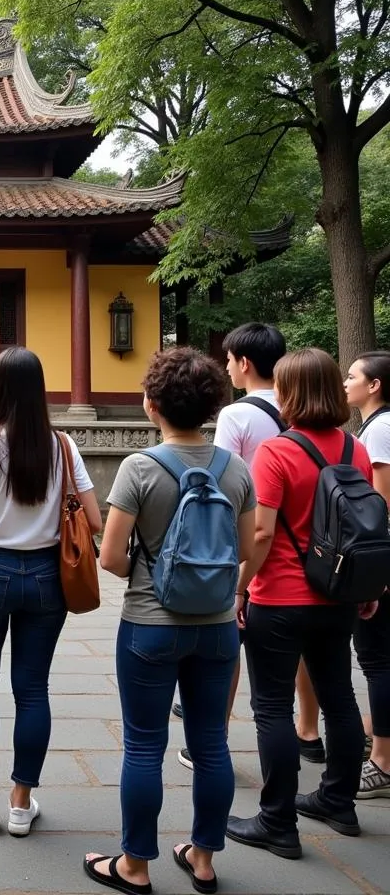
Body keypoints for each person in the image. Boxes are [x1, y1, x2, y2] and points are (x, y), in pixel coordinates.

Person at [86, 347, 255, 895]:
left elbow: (109, 557)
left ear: (150, 403)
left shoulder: (140, 467)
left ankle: (135, 865)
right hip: (218, 626)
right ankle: (203, 858)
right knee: (211, 743)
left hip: (149, 625)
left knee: (143, 746)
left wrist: (149, 574)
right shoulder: (237, 469)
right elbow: (250, 546)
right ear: (212, 404)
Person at [228, 348, 376, 859]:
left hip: (282, 598)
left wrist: (242, 586)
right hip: (336, 597)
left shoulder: (276, 451)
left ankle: (277, 821)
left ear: (289, 392)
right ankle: (339, 801)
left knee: (271, 706)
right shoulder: (353, 449)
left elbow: (263, 531)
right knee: (339, 696)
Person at [0, 346, 101, 837]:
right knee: (33, 688)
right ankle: (22, 802)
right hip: (46, 576)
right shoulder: (62, 446)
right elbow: (95, 520)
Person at [175, 323, 290, 770]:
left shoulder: (237, 415)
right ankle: (310, 731)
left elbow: (219, 480)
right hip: (301, 545)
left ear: (243, 362)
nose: (226, 367)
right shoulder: (299, 406)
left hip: (253, 539)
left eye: (228, 359)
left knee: (230, 641)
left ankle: (212, 736)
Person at [344, 350, 390, 798]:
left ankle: (382, 761)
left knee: (377, 659)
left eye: (353, 376)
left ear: (373, 385)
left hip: (380, 560)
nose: (345, 382)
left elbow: (378, 507)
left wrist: (372, 568)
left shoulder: (379, 432)